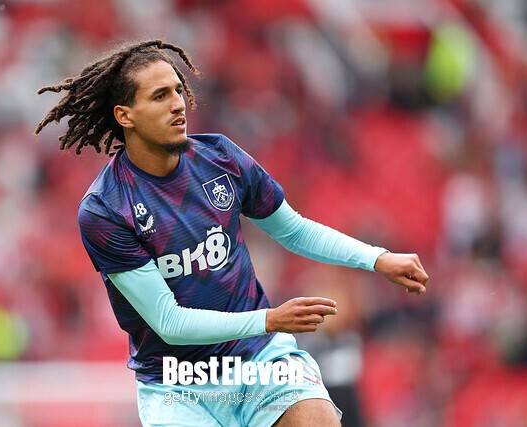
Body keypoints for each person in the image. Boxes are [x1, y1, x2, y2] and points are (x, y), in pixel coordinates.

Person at [35, 39, 429, 427]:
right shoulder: (106, 209)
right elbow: (169, 322)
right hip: (177, 386)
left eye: (178, 90)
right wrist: (269, 319)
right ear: (125, 116)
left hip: (259, 360)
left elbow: (293, 231)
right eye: (159, 96)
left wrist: (377, 258)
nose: (178, 104)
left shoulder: (221, 158)